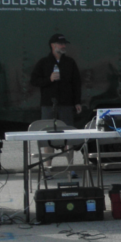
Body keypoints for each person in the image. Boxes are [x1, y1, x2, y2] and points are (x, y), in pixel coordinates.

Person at [30, 33, 82, 179]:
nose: (64, 46)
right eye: (61, 44)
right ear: (53, 45)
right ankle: (48, 169)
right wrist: (49, 79)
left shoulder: (70, 62)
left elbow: (76, 83)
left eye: (65, 44)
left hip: (66, 105)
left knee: (69, 136)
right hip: (48, 105)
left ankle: (70, 168)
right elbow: (34, 81)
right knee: (48, 137)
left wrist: (77, 101)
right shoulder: (43, 63)